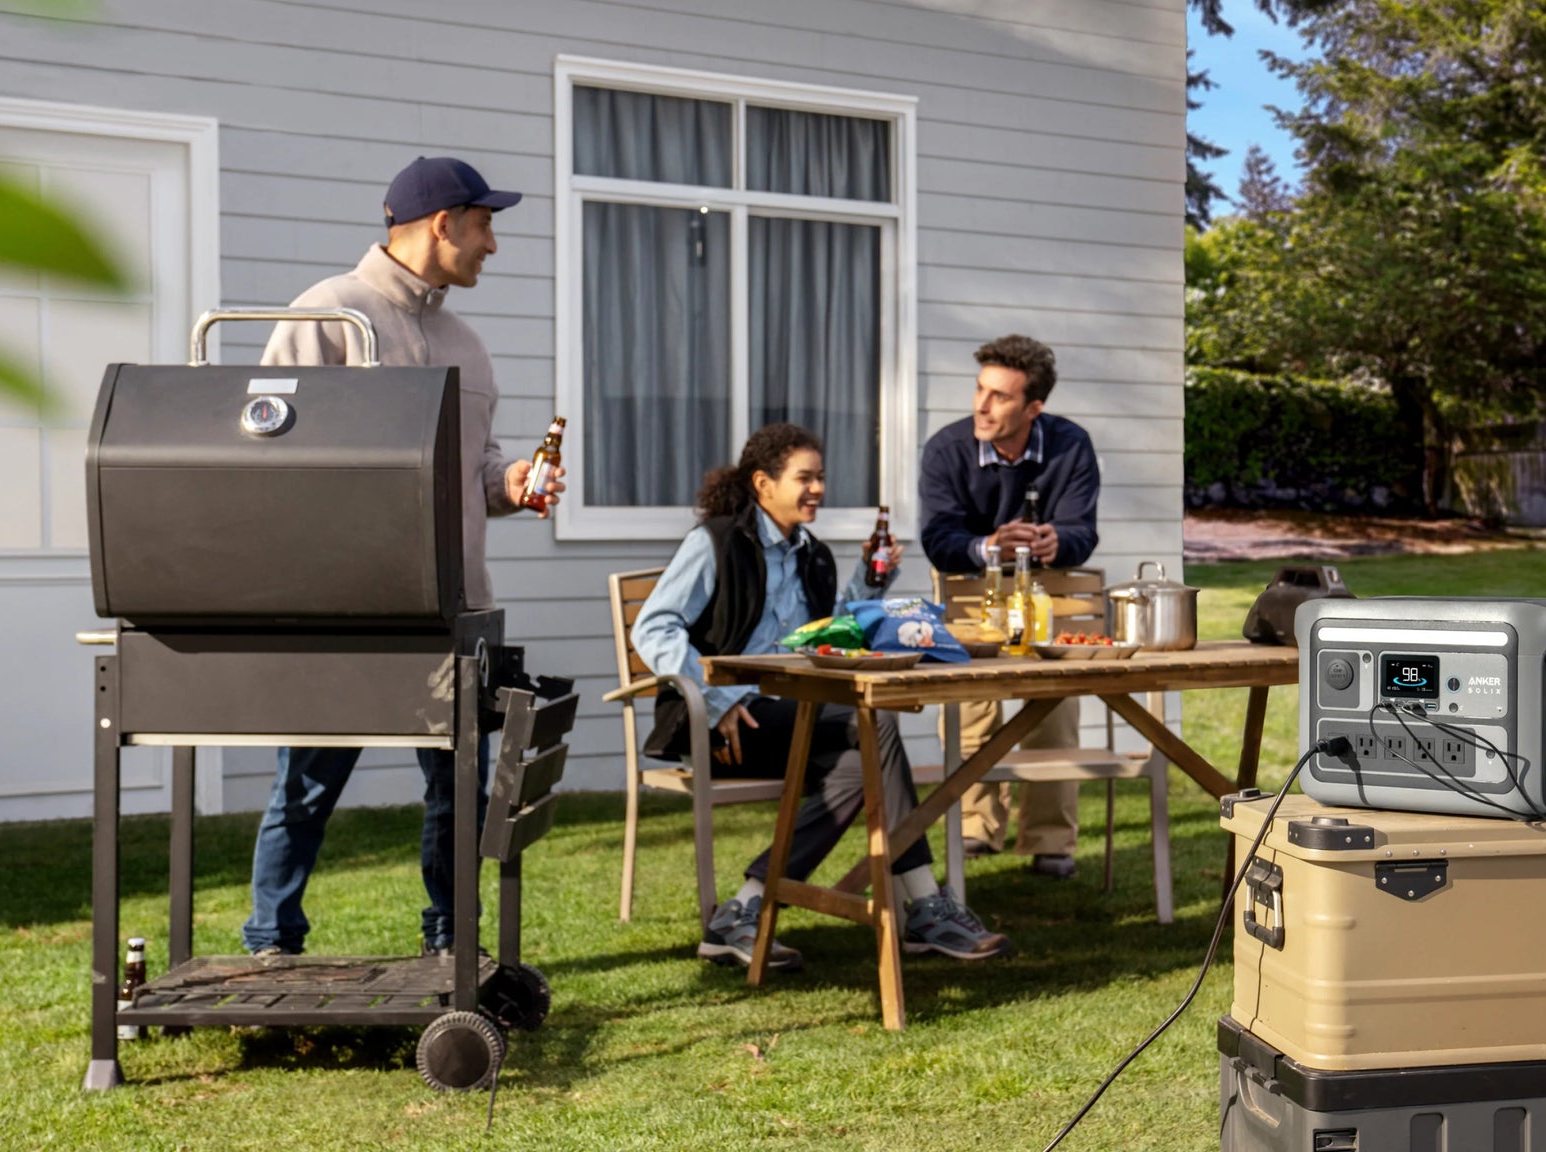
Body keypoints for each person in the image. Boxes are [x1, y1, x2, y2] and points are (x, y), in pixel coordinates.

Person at [240, 156, 565, 958]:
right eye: (484, 224)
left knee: (457, 785)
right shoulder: (329, 313)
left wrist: (511, 483)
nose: (493, 244)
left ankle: (451, 941)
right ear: (441, 223)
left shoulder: (468, 344)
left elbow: (479, 475)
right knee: (307, 783)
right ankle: (269, 942)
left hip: (455, 608)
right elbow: (265, 455)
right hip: (346, 611)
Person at [633, 423, 1011, 971]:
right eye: (804, 478)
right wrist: (721, 702)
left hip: (797, 715)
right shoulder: (715, 542)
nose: (818, 488)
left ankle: (743, 909)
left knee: (864, 763)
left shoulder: (812, 554)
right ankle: (926, 907)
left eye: (821, 477)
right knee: (872, 724)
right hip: (726, 728)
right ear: (763, 484)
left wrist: (870, 583)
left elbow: (825, 635)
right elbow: (655, 627)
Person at [918, 334, 1100, 879]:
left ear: (1033, 407)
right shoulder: (946, 449)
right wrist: (988, 546)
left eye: (999, 396)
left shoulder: (1072, 445)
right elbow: (938, 537)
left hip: (1046, 586)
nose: (981, 404)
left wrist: (1055, 542)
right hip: (970, 583)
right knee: (969, 703)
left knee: (1055, 705)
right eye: (980, 390)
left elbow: (1080, 530)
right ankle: (976, 827)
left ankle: (1049, 841)